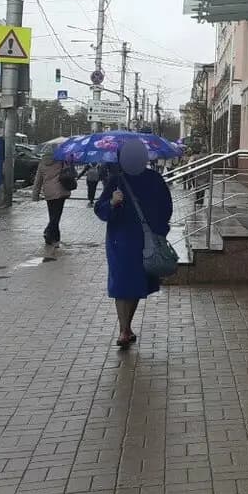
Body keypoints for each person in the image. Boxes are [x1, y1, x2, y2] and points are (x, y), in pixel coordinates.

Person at [94, 141, 174, 349]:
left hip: (141, 243)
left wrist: (158, 231)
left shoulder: (153, 179)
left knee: (135, 284)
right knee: (123, 284)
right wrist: (112, 202)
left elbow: (166, 208)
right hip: (121, 242)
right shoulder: (117, 181)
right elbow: (100, 209)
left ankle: (126, 328)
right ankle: (124, 330)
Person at [31, 156, 74, 254]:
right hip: (60, 192)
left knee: (53, 215)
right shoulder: (60, 161)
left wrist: (35, 195)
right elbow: (69, 172)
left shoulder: (42, 163)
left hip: (48, 192)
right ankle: (49, 234)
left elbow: (38, 180)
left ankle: (54, 238)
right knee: (56, 216)